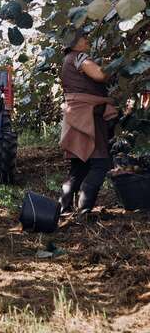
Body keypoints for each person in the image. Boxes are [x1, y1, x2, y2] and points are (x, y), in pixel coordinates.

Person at [59, 28, 118, 215]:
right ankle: (84, 209)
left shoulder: (67, 60)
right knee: (101, 163)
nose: (87, 40)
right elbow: (99, 75)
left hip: (77, 114)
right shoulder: (78, 57)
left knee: (80, 164)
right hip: (88, 115)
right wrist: (114, 66)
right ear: (75, 42)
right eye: (84, 37)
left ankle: (63, 206)